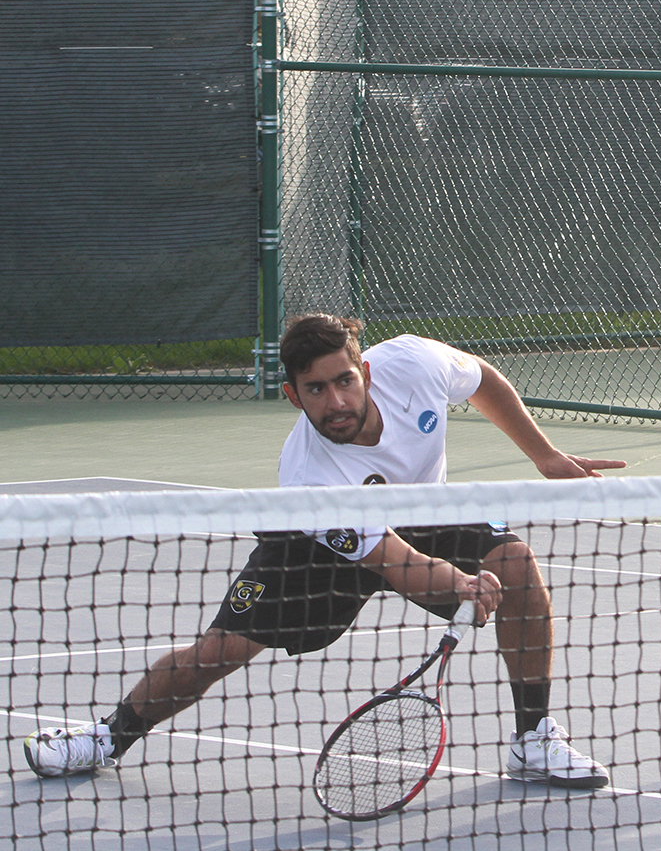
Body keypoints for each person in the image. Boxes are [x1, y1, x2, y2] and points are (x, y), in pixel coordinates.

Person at [23, 314, 627, 786]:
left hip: (422, 507)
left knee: (517, 567)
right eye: (317, 389)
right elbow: (391, 564)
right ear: (294, 396)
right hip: (324, 545)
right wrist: (458, 584)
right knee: (220, 651)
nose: (336, 401)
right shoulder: (309, 475)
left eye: (345, 380)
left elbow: (483, 381)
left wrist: (543, 454)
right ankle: (106, 738)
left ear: (364, 367)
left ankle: (532, 739)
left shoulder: (415, 362)